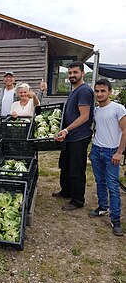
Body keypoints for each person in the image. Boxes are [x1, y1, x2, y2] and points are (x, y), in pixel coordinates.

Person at [53, 61, 94, 210]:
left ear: (82, 73)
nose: (72, 75)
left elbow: (84, 116)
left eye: (75, 72)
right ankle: (66, 191)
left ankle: (77, 200)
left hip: (79, 137)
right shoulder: (74, 90)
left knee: (76, 169)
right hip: (70, 136)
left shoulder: (83, 91)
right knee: (65, 166)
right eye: (70, 73)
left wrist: (66, 130)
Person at [89, 79, 126, 236]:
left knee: (112, 185)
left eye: (103, 91)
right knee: (100, 181)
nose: (99, 94)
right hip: (97, 150)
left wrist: (119, 152)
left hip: (112, 152)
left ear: (109, 92)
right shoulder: (96, 110)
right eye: (97, 91)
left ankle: (115, 219)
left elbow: (125, 131)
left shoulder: (118, 108)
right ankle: (103, 207)